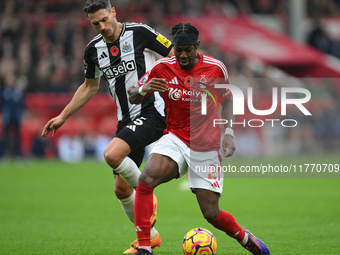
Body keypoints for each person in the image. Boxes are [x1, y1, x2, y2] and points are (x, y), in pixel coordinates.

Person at [41, 0, 173, 253]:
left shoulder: (139, 32)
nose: (101, 27)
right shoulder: (93, 49)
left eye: (104, 19)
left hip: (152, 111)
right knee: (121, 188)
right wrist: (63, 116)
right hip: (126, 118)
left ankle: (147, 195)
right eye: (95, 24)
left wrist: (160, 83)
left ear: (114, 12)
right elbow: (90, 86)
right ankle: (150, 237)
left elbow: (175, 57)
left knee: (112, 154)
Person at [128, 23, 270, 255]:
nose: (182, 54)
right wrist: (144, 90)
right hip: (174, 138)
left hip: (207, 146)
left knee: (211, 213)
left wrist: (229, 134)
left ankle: (244, 237)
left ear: (197, 46)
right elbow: (133, 95)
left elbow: (228, 99)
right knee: (146, 179)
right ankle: (145, 247)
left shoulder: (215, 68)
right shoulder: (162, 67)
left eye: (187, 49)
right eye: (178, 49)